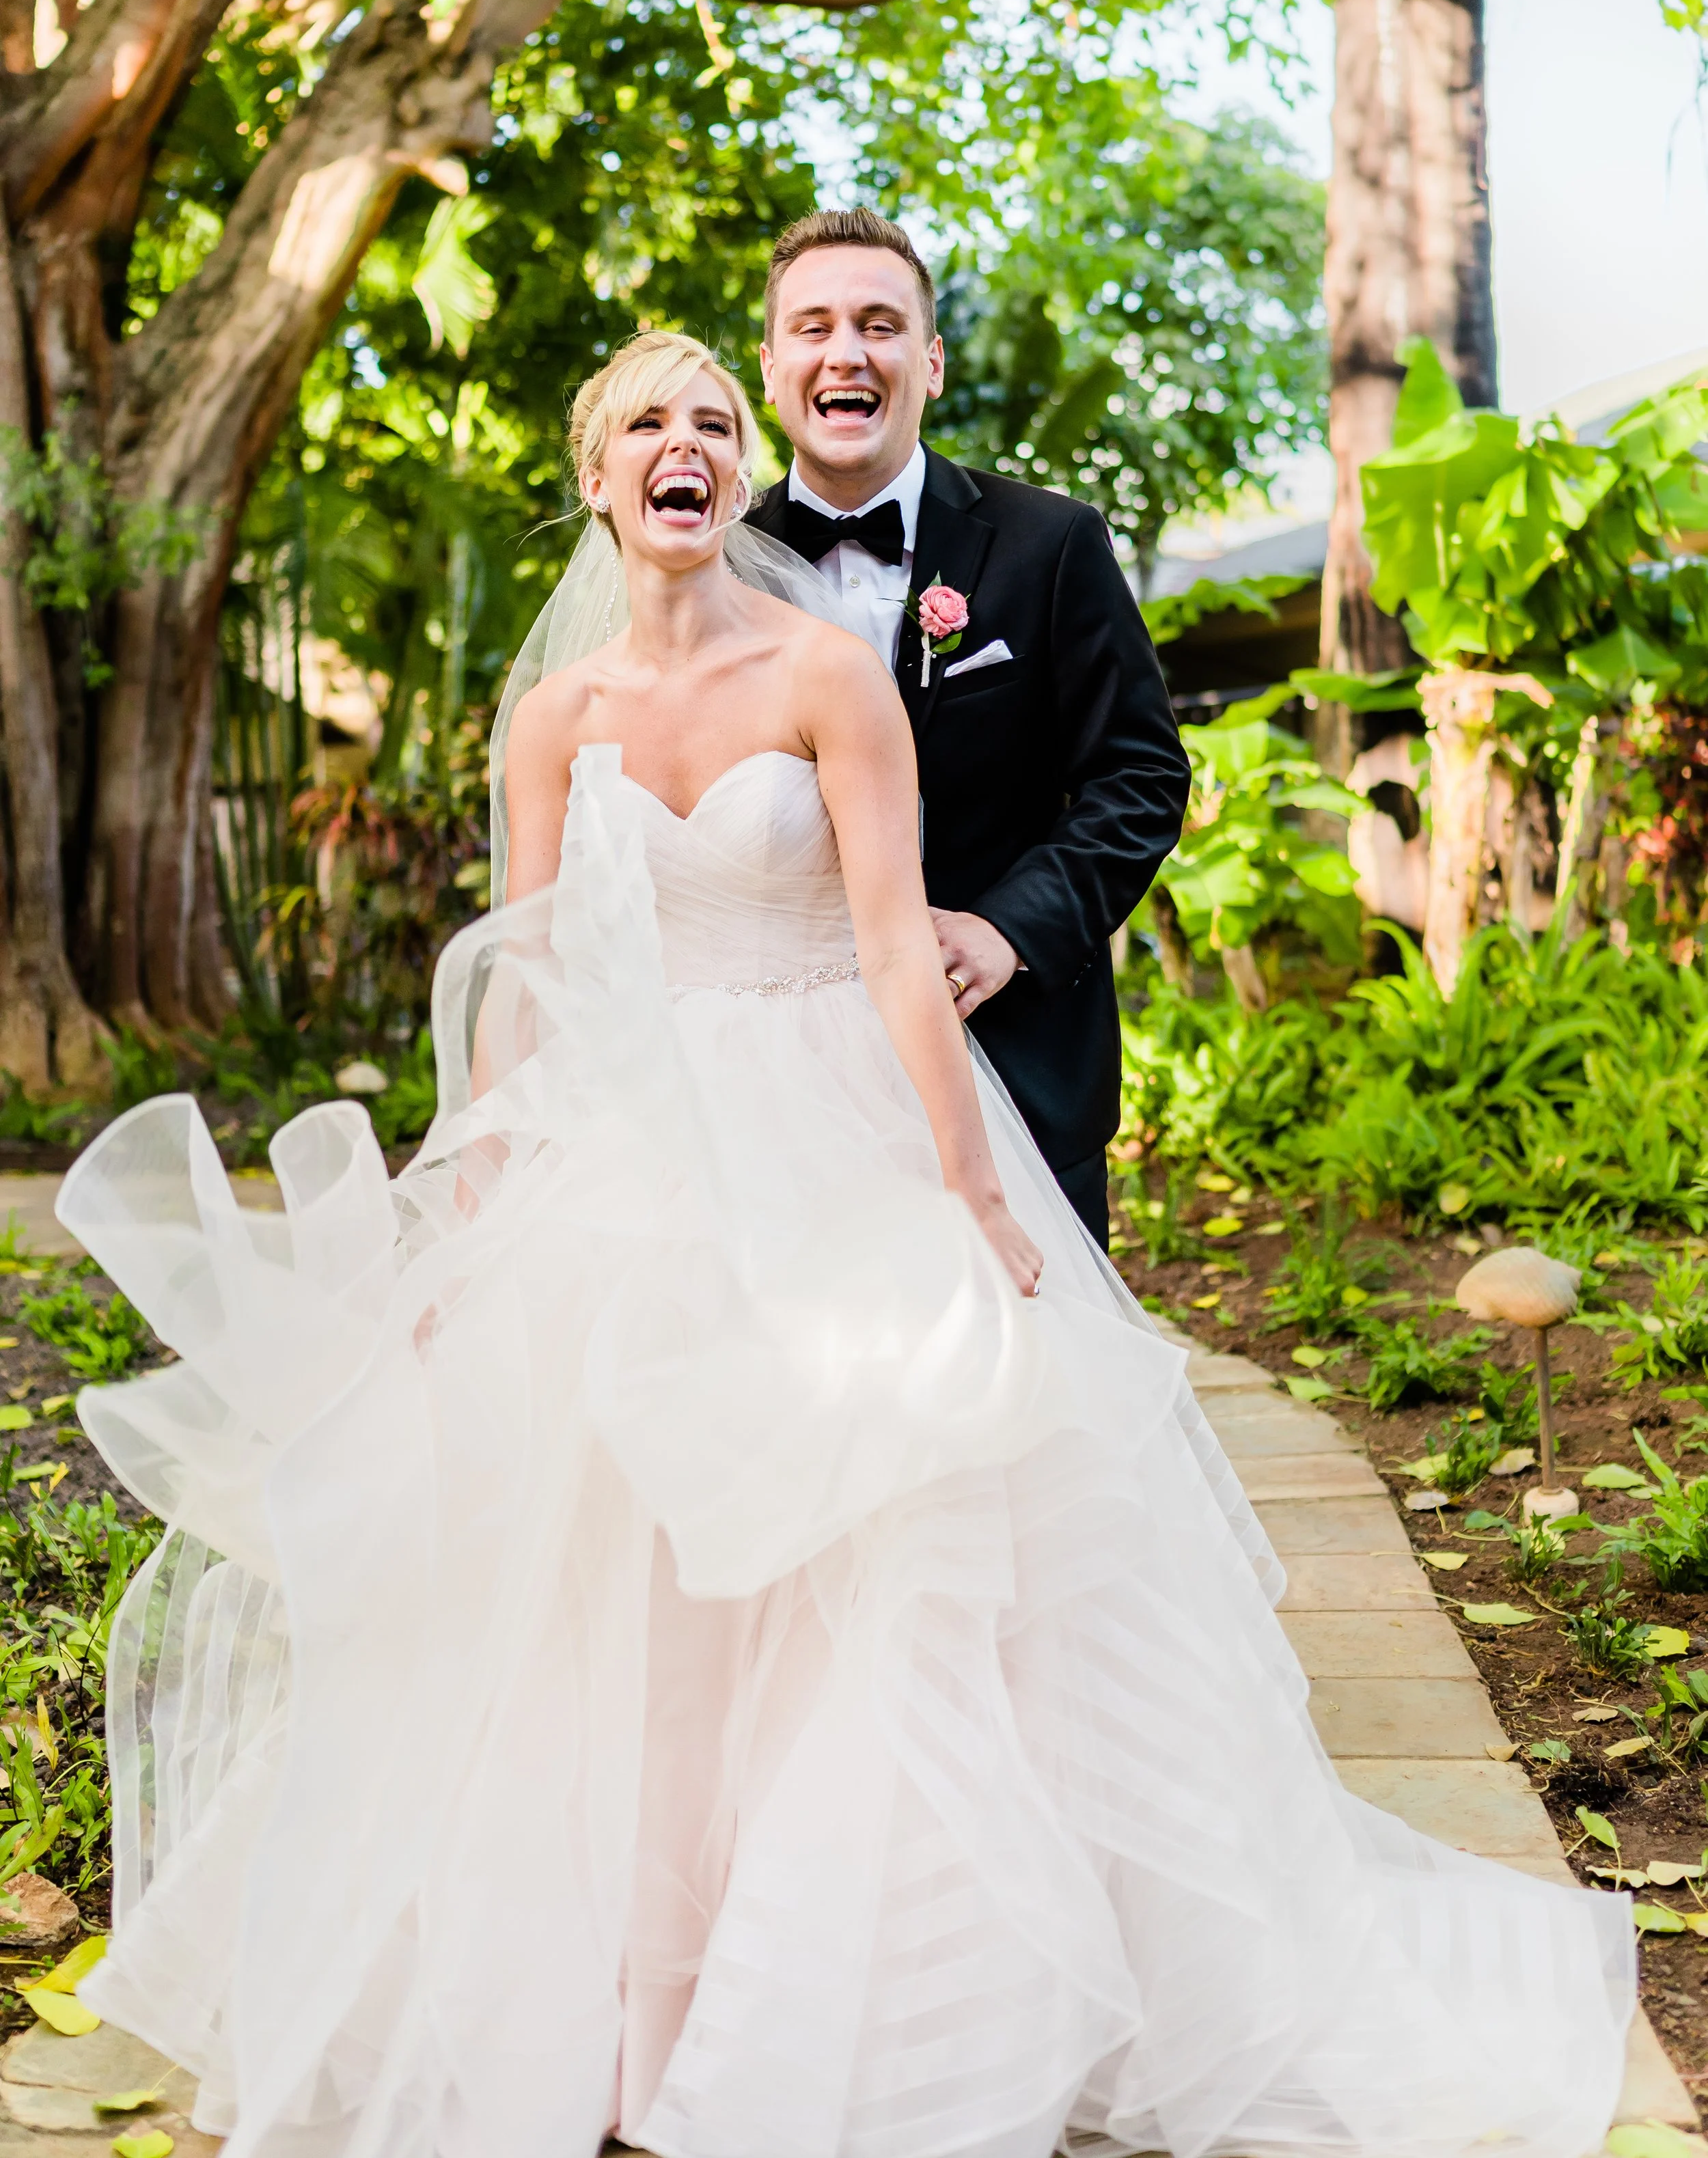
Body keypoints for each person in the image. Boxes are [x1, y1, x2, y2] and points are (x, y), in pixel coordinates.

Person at [62, 331, 1632, 2158]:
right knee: (622, 1570)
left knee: (869, 1559)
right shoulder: (549, 715)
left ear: (737, 478)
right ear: (596, 479)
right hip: (624, 1147)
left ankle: (826, 2011)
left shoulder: (826, 675)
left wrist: (967, 1187)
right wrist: (471, 1191)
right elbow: (523, 968)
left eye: (712, 422)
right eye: (647, 421)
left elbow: (897, 946)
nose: (686, 442)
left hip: (831, 1125)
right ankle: (631, 2014)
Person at [747, 208, 1190, 1247]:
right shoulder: (713, 569)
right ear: (770, 369)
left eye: (880, 324)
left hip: (1016, 1059)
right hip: (780, 1087)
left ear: (931, 362)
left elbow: (1140, 778)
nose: (846, 352)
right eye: (812, 328)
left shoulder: (1053, 544)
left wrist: (1008, 931)